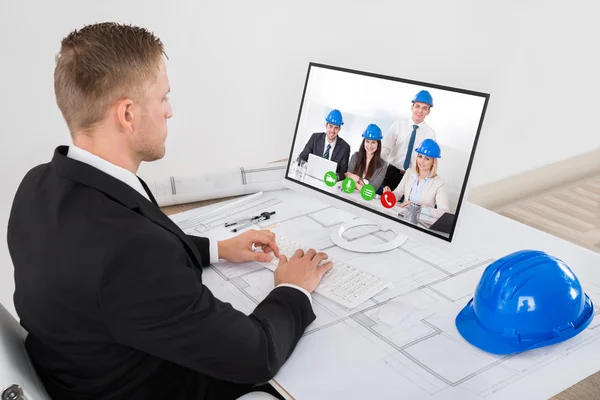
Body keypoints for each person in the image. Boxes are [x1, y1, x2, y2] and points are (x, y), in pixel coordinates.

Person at [6, 22, 333, 400]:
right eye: (162, 98)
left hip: (78, 369)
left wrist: (218, 248)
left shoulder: (39, 185)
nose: (170, 111)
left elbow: (112, 253)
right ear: (127, 115)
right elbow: (255, 355)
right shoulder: (132, 254)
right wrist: (293, 287)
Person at [379, 90, 437, 192]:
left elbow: (429, 162)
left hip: (412, 178)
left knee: (403, 206)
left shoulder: (430, 134)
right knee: (381, 200)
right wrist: (378, 170)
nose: (420, 111)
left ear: (428, 111)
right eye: (417, 106)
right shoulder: (398, 124)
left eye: (424, 108)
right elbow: (385, 149)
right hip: (391, 173)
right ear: (412, 107)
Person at [383, 138, 449, 218]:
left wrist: (418, 208)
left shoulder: (439, 183)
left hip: (421, 222)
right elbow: (398, 193)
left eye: (427, 158)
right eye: (420, 156)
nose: (421, 161)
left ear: (433, 162)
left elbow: (444, 212)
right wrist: (390, 195)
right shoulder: (409, 173)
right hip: (403, 216)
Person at [297, 109, 351, 181]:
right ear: (326, 125)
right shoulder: (315, 138)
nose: (332, 131)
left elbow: (343, 171)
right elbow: (301, 158)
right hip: (310, 178)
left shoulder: (345, 147)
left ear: (339, 129)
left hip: (329, 182)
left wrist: (336, 176)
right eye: (330, 126)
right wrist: (306, 166)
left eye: (336, 128)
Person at [344, 123, 388, 191]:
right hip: (351, 192)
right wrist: (363, 185)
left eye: (373, 142)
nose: (370, 146)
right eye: (367, 141)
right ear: (364, 142)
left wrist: (357, 180)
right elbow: (347, 177)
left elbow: (372, 189)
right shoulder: (355, 156)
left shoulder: (383, 165)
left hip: (366, 199)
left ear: (378, 144)